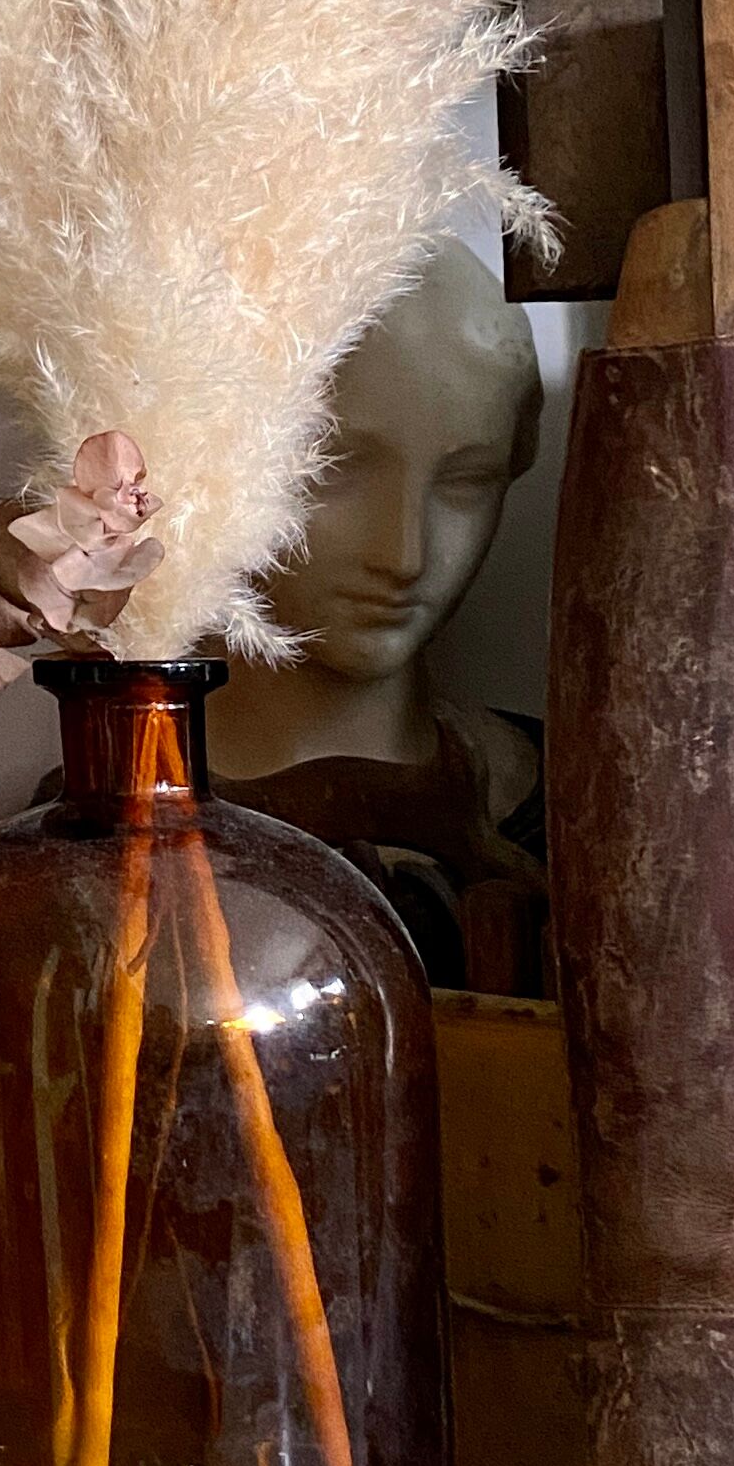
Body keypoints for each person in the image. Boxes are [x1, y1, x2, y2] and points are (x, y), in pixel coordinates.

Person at [209, 235, 549, 991]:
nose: (405, 553)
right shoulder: (115, 836)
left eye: (467, 480)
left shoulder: (575, 816)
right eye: (338, 469)